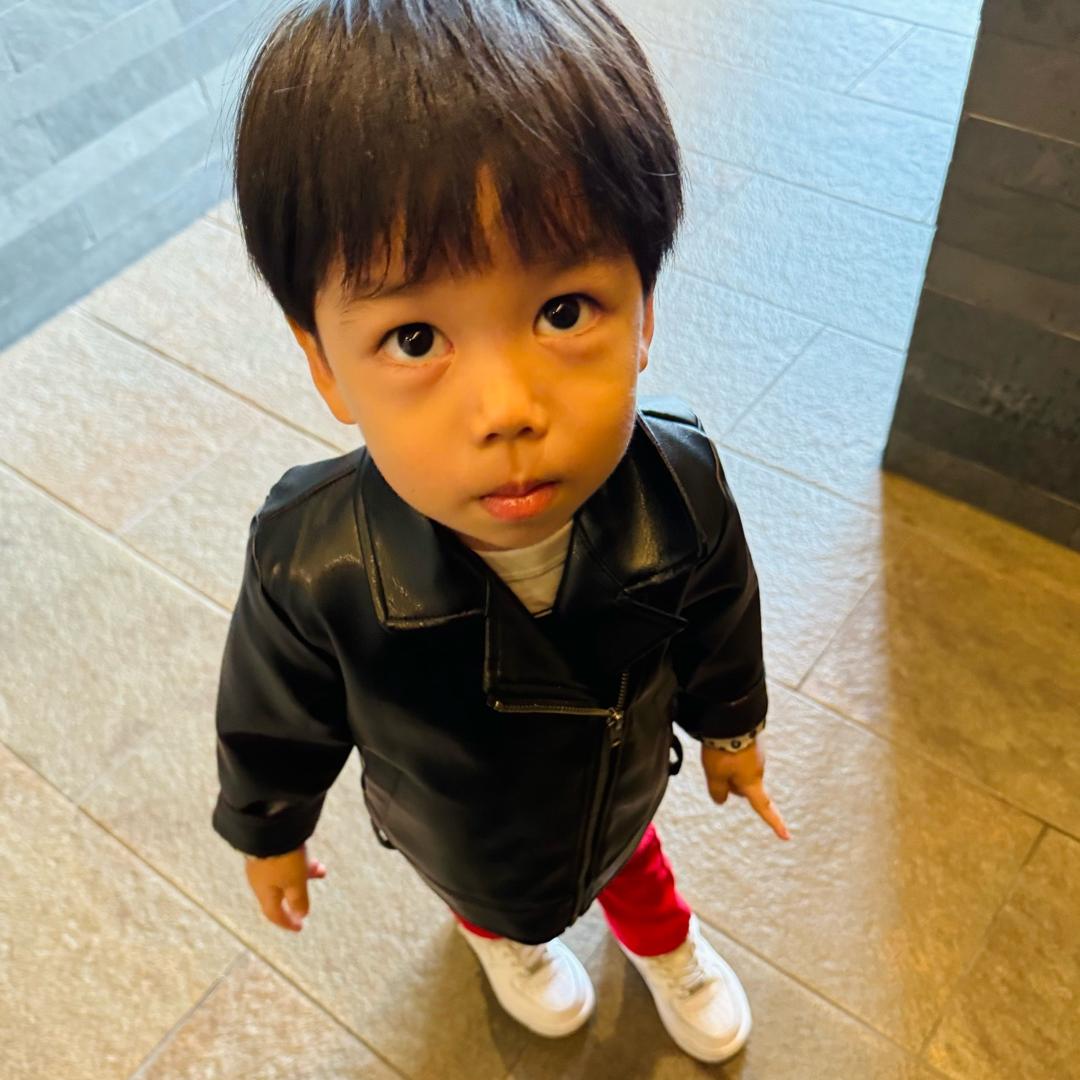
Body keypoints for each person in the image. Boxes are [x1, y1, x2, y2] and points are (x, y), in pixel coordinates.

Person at [212, 0, 789, 1064]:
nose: (508, 409)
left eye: (564, 312)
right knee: (484, 896)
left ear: (645, 313)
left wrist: (732, 728)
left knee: (633, 864)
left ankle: (665, 944)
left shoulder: (678, 487)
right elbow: (273, 716)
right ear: (324, 364)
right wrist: (269, 830)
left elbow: (721, 617)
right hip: (454, 822)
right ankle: (502, 942)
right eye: (415, 337)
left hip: (615, 781)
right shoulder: (313, 559)